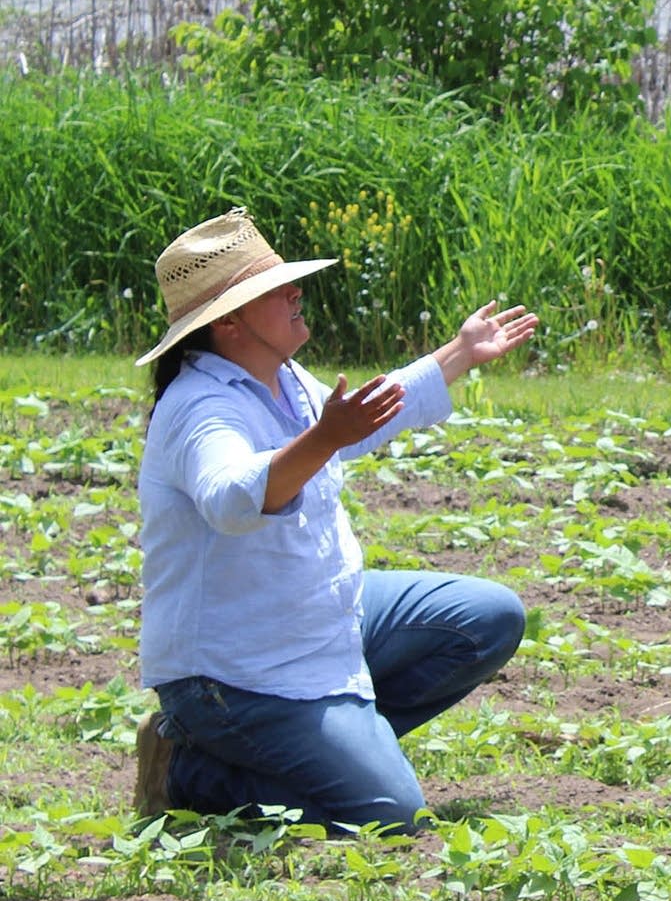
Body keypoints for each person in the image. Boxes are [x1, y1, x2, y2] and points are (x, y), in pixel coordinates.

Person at [132, 209, 538, 830]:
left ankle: (339, 746)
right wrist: (323, 439)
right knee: (392, 820)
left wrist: (458, 353)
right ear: (231, 322)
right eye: (274, 290)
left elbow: (353, 422)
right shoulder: (199, 407)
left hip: (314, 622)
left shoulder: (281, 378)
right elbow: (232, 498)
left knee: (486, 619)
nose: (296, 293)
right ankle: (192, 770)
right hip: (231, 677)